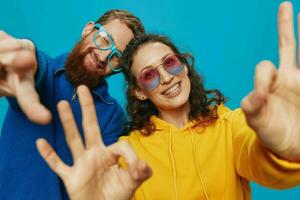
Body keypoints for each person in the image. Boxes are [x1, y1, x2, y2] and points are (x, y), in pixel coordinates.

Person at [37, 1, 300, 200]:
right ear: (140, 91)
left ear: (184, 66)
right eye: (149, 75)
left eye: (170, 63)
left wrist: (284, 148)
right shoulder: (128, 152)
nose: (165, 78)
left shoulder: (229, 126)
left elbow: (263, 161)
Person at [0, 10, 144, 200]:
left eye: (116, 57)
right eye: (104, 39)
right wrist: (24, 53)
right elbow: (35, 66)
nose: (103, 57)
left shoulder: (112, 116)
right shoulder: (45, 72)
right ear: (88, 30)